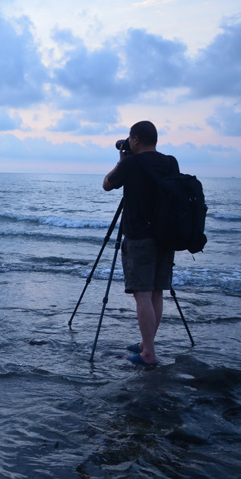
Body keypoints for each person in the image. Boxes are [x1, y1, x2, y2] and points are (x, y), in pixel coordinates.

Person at [103, 120, 176, 367]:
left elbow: (107, 184)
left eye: (130, 139)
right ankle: (147, 344)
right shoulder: (170, 162)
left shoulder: (131, 163)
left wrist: (121, 161)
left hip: (139, 237)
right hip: (166, 237)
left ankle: (148, 354)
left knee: (142, 294)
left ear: (135, 140)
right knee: (156, 291)